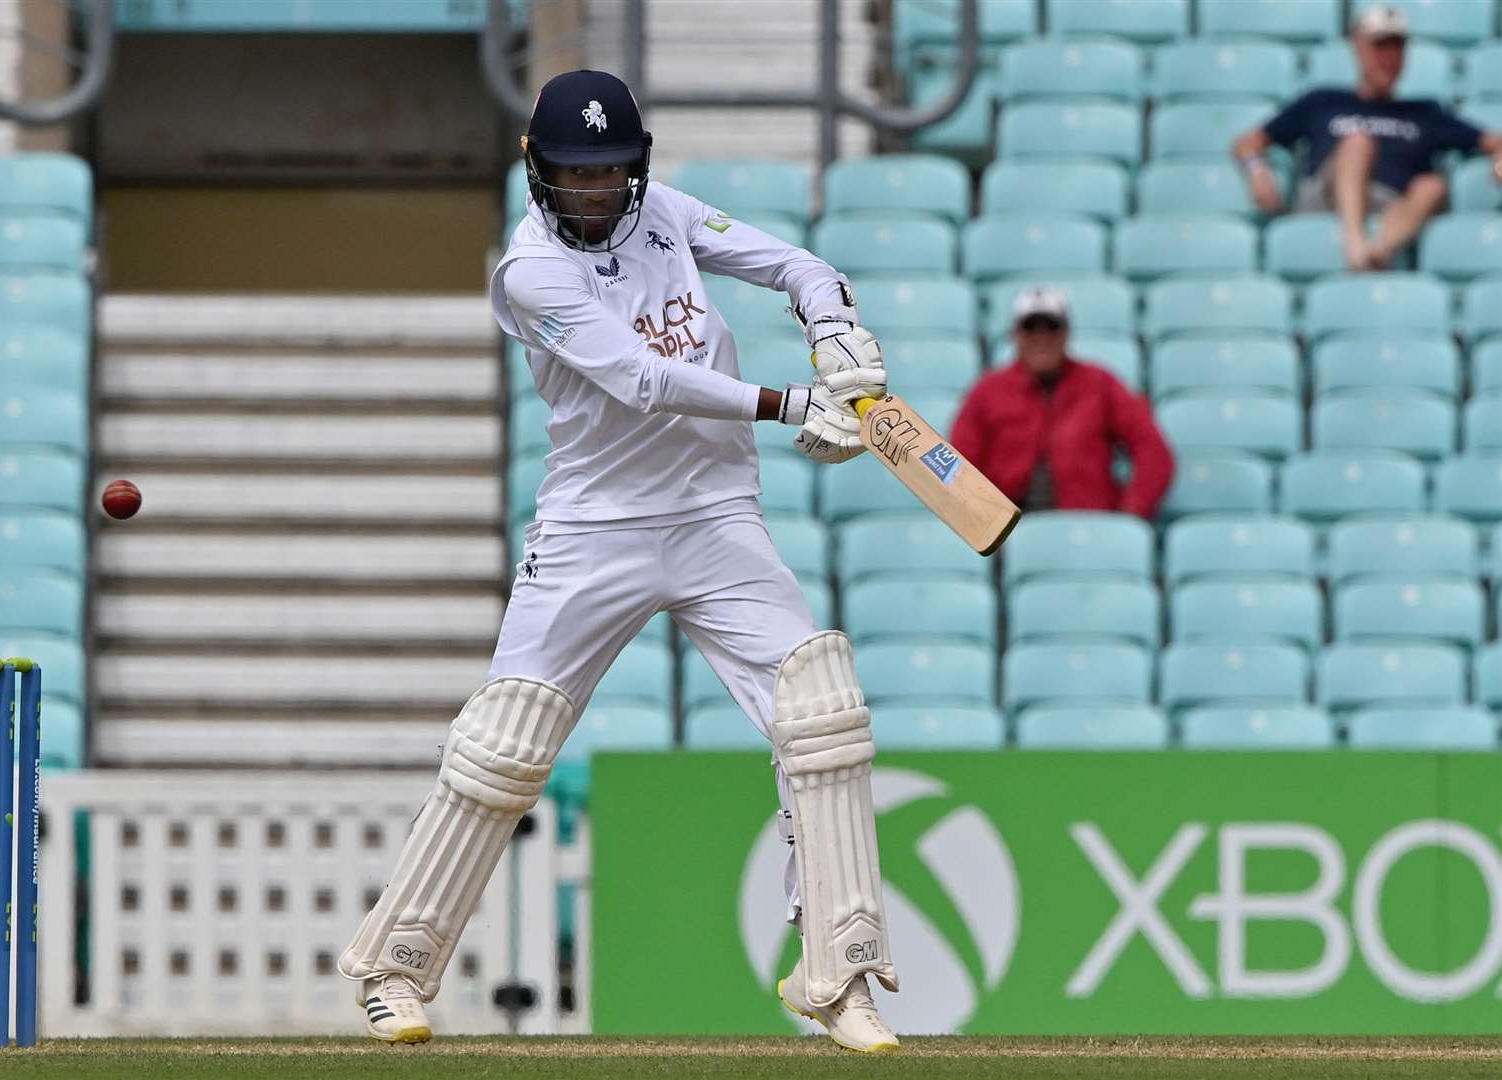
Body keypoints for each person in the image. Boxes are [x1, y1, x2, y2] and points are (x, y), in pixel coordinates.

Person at [336, 69, 903, 1054]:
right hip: (595, 526)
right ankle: (393, 969)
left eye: (610, 175)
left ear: (636, 169)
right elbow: (643, 381)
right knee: (503, 745)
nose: (595, 195)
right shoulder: (528, 274)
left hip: (713, 516)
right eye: (574, 176)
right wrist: (784, 403)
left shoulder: (667, 216)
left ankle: (838, 976)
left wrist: (836, 333)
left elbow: (798, 266)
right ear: (536, 170)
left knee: (821, 713)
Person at [1232, 3, 1502, 271]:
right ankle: (1355, 245)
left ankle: (1377, 252)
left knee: (1433, 185)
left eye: (1396, 47)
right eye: (1380, 46)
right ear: (1357, 47)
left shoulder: (1425, 112)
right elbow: (1249, 142)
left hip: (1393, 206)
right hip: (1328, 195)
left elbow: (1495, 141)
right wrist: (1257, 170)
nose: (1389, 57)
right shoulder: (1323, 101)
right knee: (1357, 142)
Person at [947, 287, 1173, 519]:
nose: (1041, 337)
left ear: (1066, 333)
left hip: (1087, 528)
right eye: (1030, 328)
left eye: (1052, 327)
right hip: (1006, 534)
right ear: (1016, 335)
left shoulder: (1100, 384)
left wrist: (1127, 517)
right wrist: (985, 525)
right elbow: (958, 466)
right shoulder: (987, 391)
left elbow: (1153, 453)